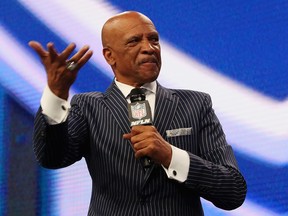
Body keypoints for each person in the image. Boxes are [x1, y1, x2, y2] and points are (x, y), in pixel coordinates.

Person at [30, 11, 247, 216]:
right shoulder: (88, 107)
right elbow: (52, 157)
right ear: (109, 56)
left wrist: (171, 156)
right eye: (135, 41)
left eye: (153, 39)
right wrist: (56, 95)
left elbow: (233, 191)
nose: (149, 48)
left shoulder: (196, 104)